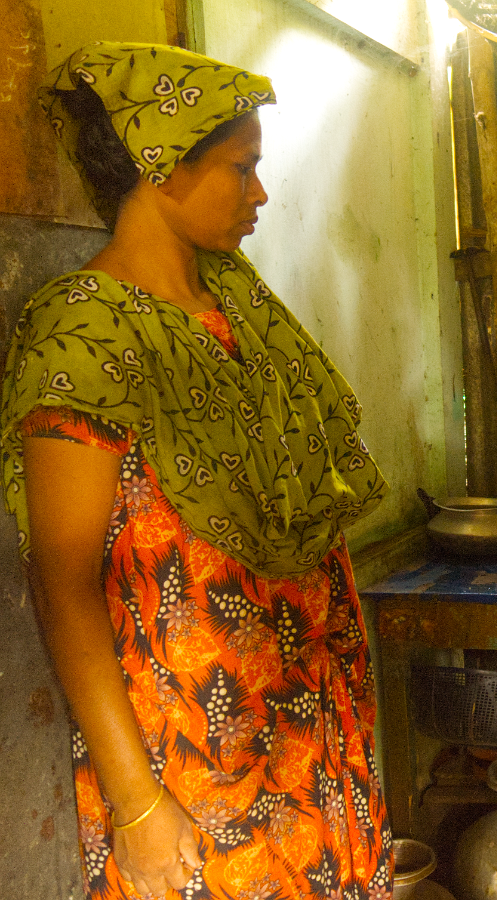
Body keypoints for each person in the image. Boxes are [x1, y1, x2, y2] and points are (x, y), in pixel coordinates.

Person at [1, 42, 392, 900]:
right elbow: (61, 581)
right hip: (194, 754)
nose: (260, 193)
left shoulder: (239, 312)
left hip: (308, 722)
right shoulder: (84, 334)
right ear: (162, 165)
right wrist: (138, 804)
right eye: (241, 169)